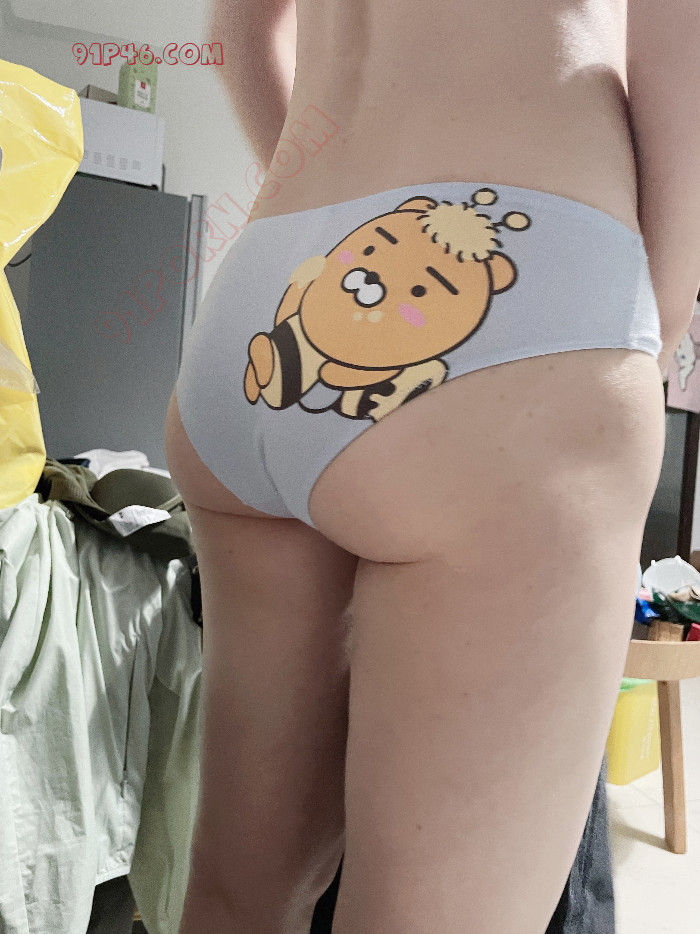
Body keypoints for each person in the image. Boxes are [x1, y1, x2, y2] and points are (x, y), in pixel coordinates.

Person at [165, 0, 700, 931]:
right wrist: (651, 314)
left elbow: (236, 31)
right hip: (529, 274)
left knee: (232, 901)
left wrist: (325, 223)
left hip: (276, 278)